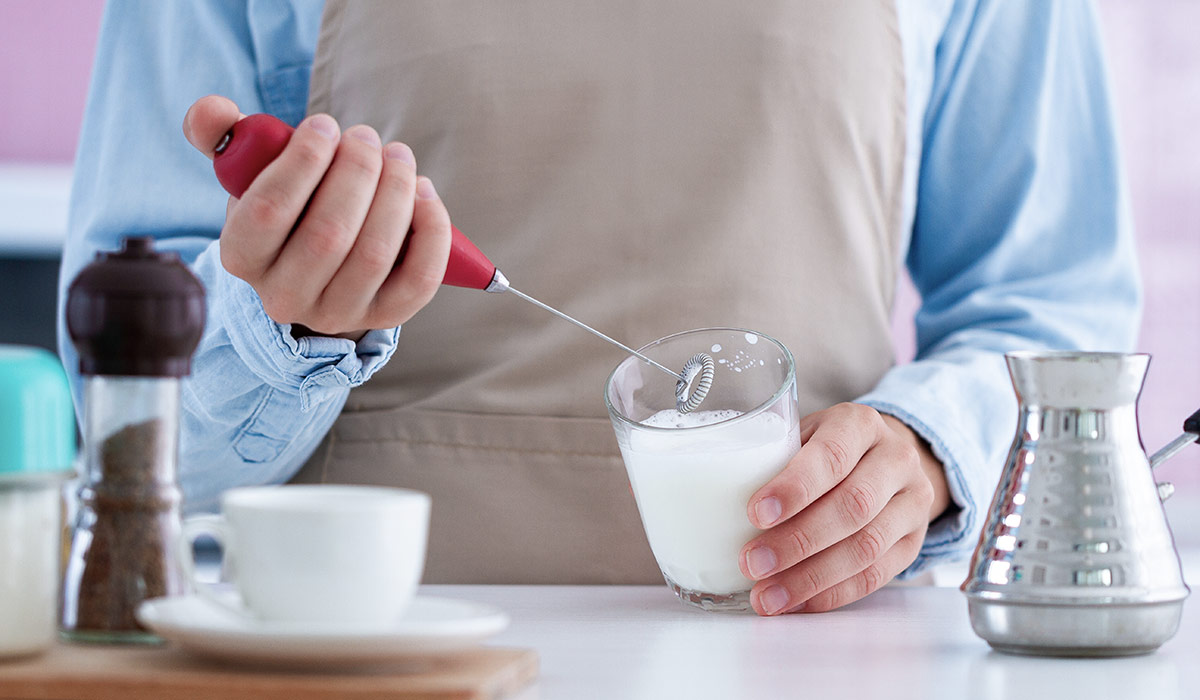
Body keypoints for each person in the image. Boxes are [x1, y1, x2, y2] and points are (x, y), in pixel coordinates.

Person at [59, 0, 1139, 617]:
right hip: (363, 657)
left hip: (823, 664)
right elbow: (120, 428)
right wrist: (277, 325)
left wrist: (932, 447)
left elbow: (1057, 310)